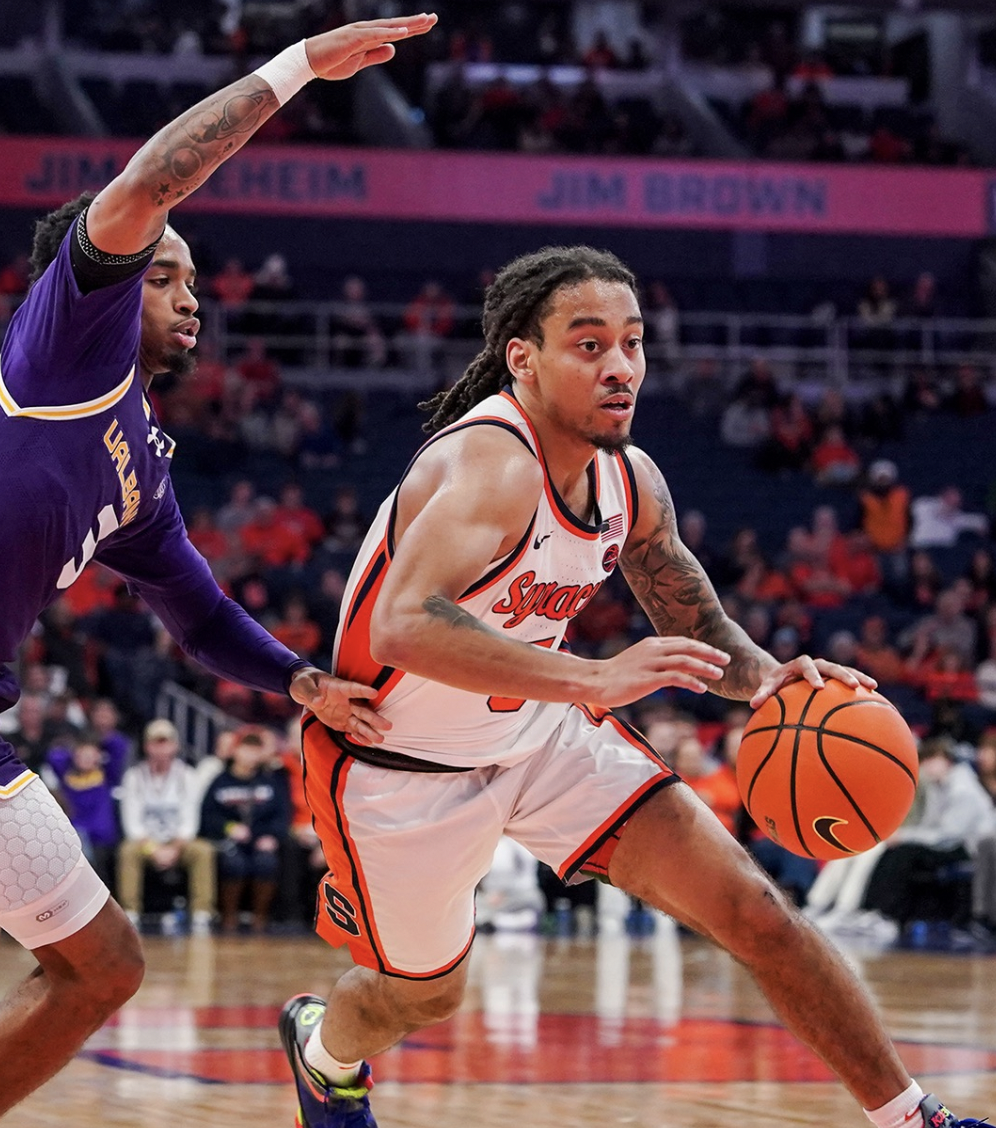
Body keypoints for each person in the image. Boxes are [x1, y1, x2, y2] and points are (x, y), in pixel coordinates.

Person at [279, 246, 978, 1128]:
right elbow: (405, 626)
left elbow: (694, 617)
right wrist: (594, 678)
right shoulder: (492, 465)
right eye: (588, 344)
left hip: (539, 736)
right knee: (420, 997)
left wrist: (766, 678)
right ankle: (322, 1049)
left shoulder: (630, 479)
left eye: (633, 343)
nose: (620, 367)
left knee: (755, 911)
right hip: (401, 767)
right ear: (521, 357)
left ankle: (914, 1120)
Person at [0, 11, 437, 1117]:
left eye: (190, 280)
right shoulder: (62, 345)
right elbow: (154, 178)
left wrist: (299, 682)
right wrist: (296, 69)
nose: (191, 293)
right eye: (166, 275)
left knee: (102, 968)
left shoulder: (140, 459)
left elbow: (192, 609)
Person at [117, 719, 216, 933]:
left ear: (175, 746)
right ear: (147, 746)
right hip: (146, 842)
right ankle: (131, 912)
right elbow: (132, 824)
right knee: (127, 851)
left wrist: (173, 849)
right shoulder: (134, 777)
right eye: (156, 743)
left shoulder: (187, 775)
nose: (161, 748)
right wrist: (153, 850)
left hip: (177, 842)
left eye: (166, 742)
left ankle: (202, 912)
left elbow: (190, 821)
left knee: (203, 851)